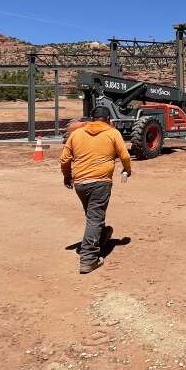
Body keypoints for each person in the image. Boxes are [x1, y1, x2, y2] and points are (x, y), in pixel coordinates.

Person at [60, 105, 132, 274]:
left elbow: (64, 159)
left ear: (92, 119)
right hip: (100, 182)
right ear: (108, 120)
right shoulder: (112, 133)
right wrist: (127, 170)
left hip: (80, 183)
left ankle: (100, 236)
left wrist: (67, 177)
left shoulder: (76, 134)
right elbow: (125, 155)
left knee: (93, 214)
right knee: (94, 218)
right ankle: (88, 259)